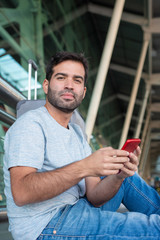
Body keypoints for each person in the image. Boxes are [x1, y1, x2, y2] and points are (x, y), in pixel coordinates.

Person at [3, 52, 160, 240]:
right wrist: (85, 166)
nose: (69, 85)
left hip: (77, 208)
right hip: (46, 225)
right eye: (61, 78)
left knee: (126, 176)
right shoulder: (31, 125)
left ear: (83, 92)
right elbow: (21, 192)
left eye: (77, 80)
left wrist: (118, 177)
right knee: (153, 228)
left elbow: (94, 196)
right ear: (46, 85)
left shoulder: (76, 134)